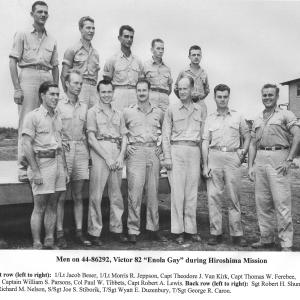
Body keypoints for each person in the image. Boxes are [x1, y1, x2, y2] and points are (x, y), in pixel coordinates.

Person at [9, 1, 59, 182]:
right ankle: (23, 167)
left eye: (46, 12)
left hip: (46, 77)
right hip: (28, 76)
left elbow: (55, 66)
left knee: (46, 121)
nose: (43, 15)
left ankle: (43, 164)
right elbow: (12, 61)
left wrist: (55, 88)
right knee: (27, 122)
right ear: (32, 14)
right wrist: (17, 88)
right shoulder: (22, 34)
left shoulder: (52, 39)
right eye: (39, 12)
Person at [248, 84, 300, 252]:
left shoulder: (286, 114)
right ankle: (266, 238)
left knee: (281, 202)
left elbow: (297, 135)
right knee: (262, 202)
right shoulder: (257, 118)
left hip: (279, 157)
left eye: (271, 95)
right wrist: (250, 165)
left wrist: (289, 158)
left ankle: (286, 243)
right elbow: (252, 144)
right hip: (261, 159)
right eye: (265, 95)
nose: (267, 98)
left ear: (277, 96)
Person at [202, 84, 250, 247]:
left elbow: (247, 135)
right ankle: (215, 233)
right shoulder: (209, 118)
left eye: (225, 96)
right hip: (214, 157)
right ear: (214, 98)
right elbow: (205, 142)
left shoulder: (238, 116)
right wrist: (205, 164)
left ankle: (237, 234)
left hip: (232, 158)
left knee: (233, 198)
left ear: (229, 97)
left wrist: (242, 153)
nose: (222, 99)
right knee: (213, 197)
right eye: (219, 97)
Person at [22, 81, 67, 249]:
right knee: (39, 206)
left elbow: (60, 145)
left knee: (53, 205)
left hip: (57, 164)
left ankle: (49, 240)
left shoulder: (57, 116)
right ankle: (37, 242)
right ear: (42, 95)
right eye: (52, 94)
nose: (56, 97)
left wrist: (64, 169)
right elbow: (26, 145)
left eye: (57, 94)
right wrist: (35, 171)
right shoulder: (33, 116)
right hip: (41, 164)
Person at [124, 79, 167, 244]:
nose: (141, 93)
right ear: (136, 92)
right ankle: (133, 229)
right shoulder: (128, 112)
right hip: (135, 153)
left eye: (144, 90)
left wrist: (161, 147)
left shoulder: (158, 112)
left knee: (153, 193)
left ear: (149, 91)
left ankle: (153, 228)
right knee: (134, 193)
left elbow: (167, 131)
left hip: (152, 152)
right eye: (139, 90)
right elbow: (121, 131)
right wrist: (127, 145)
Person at [162, 76, 203, 245]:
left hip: (194, 151)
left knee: (192, 193)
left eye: (186, 88)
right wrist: (167, 157)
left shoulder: (199, 110)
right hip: (176, 151)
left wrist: (202, 160)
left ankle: (191, 230)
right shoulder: (171, 109)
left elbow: (203, 136)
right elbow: (165, 135)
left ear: (192, 89)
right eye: (180, 88)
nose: (183, 91)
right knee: (178, 194)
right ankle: (177, 231)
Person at [87, 79, 128, 246]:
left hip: (116, 151)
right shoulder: (92, 112)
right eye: (103, 92)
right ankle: (94, 232)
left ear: (113, 93)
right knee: (96, 195)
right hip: (100, 151)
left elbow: (124, 136)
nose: (106, 95)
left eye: (109, 92)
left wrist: (120, 156)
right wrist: (107, 157)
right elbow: (91, 138)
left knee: (117, 194)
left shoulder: (119, 113)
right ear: (98, 93)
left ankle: (116, 229)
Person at [56, 70, 91, 248]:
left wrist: (88, 153)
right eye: (75, 83)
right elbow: (54, 131)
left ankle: (79, 231)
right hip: (64, 150)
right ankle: (60, 233)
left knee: (78, 194)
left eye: (80, 83)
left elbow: (87, 131)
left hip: (81, 150)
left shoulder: (84, 106)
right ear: (67, 84)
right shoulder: (59, 105)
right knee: (61, 195)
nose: (78, 86)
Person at [61, 16, 100, 109]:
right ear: (80, 29)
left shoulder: (96, 53)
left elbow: (96, 76)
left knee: (92, 120)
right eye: (88, 28)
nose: (91, 31)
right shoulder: (72, 50)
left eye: (93, 28)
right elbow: (64, 75)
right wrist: (68, 94)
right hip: (78, 89)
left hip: (93, 91)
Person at [103, 25, 143, 110]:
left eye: (131, 37)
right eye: (126, 36)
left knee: (134, 121)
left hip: (134, 96)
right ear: (119, 38)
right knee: (117, 122)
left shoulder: (138, 61)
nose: (129, 39)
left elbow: (141, 83)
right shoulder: (112, 60)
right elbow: (106, 84)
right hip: (118, 95)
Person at [174, 45, 209, 121]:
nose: (196, 57)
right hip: (186, 104)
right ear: (189, 56)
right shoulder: (183, 72)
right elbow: (176, 88)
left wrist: (200, 97)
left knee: (201, 127)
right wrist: (183, 98)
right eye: (193, 55)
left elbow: (207, 90)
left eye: (198, 55)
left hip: (200, 104)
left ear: (201, 56)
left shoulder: (204, 73)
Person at [143, 38, 173, 112]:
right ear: (152, 50)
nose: (161, 51)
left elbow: (169, 88)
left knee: (165, 122)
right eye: (158, 48)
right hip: (151, 99)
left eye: (162, 49)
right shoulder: (145, 66)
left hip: (164, 101)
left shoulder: (167, 68)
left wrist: (163, 96)